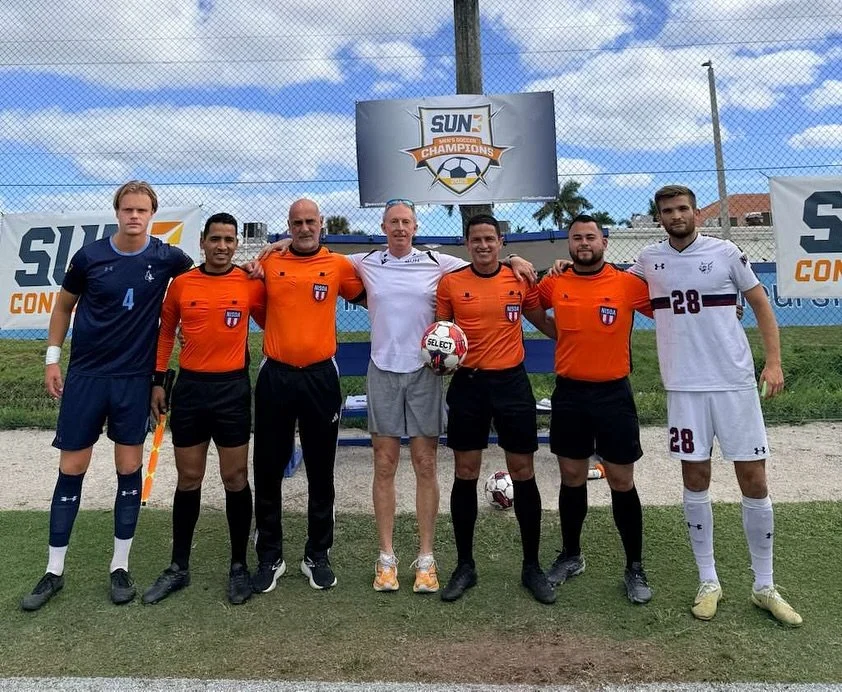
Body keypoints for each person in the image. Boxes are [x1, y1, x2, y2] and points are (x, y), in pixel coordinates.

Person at [260, 199, 536, 595]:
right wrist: (282, 243)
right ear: (384, 227)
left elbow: (482, 260)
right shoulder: (366, 262)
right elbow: (315, 251)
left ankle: (426, 559)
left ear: (415, 226)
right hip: (383, 371)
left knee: (425, 463)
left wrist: (513, 258)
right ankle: (386, 558)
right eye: (394, 222)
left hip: (425, 373)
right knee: (385, 463)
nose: (400, 228)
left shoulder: (437, 262)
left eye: (406, 221)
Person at [628, 184, 801, 626]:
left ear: (696, 213)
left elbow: (760, 304)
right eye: (667, 211)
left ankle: (765, 586)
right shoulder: (648, 259)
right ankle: (709, 581)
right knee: (695, 477)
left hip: (734, 384)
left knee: (754, 479)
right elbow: (606, 283)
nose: (676, 216)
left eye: (682, 208)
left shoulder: (725, 253)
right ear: (659, 217)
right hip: (683, 388)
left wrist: (773, 363)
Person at [21, 180, 194, 611]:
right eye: (127, 209)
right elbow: (63, 307)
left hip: (133, 380)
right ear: (117, 212)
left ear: (152, 214)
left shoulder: (167, 258)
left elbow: (205, 278)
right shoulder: (89, 257)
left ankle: (120, 567)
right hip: (87, 376)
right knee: (72, 467)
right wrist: (52, 359)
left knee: (128, 467)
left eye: (142, 210)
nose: (134, 216)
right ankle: (53, 571)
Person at [141, 213, 266, 606]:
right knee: (189, 477)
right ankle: (179, 567)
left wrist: (264, 274)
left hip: (232, 390)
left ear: (237, 244)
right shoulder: (182, 284)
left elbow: (272, 319)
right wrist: (158, 381)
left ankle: (239, 566)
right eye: (215, 239)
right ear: (202, 242)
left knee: (235, 477)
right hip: (192, 390)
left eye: (229, 240)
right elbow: (165, 332)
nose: (222, 246)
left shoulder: (248, 283)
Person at [435, 213, 557, 604]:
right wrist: (437, 358)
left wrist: (578, 338)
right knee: (465, 472)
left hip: (511, 385)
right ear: (466, 243)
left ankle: (531, 566)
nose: (483, 245)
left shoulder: (518, 279)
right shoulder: (451, 283)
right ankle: (465, 566)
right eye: (476, 239)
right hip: (468, 386)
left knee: (523, 471)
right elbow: (440, 334)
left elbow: (543, 321)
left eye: (490, 238)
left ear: (501, 242)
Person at [537, 214, 654, 604]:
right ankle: (571, 555)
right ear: (568, 244)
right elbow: (530, 303)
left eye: (591, 237)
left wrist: (722, 307)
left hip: (613, 395)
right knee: (571, 476)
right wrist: (556, 333)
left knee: (621, 480)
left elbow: (671, 310)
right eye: (577, 238)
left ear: (604, 242)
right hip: (570, 393)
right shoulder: (555, 281)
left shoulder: (627, 284)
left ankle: (634, 566)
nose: (584, 243)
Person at [251, 198, 365, 593]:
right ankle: (270, 555)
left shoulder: (338, 265)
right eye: (297, 222)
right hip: (276, 374)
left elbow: (377, 292)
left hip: (321, 377)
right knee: (268, 468)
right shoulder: (269, 262)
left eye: (310, 221)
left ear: (321, 224)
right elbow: (253, 302)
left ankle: (317, 553)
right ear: (288, 226)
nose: (304, 228)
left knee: (321, 467)